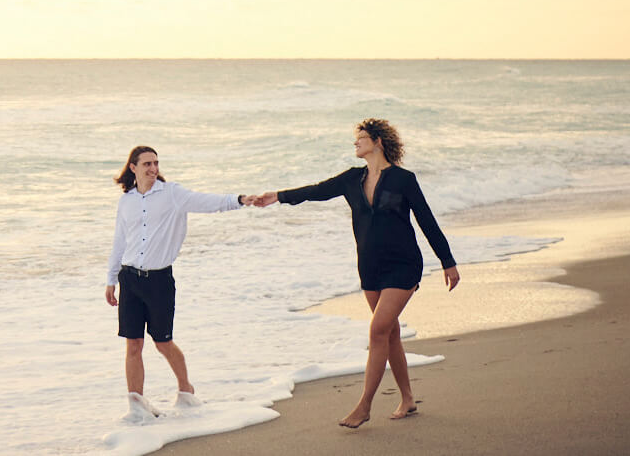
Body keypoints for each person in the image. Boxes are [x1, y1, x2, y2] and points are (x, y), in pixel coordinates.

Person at [253, 118, 461, 428]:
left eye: (361, 138)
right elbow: (317, 190)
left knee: (377, 331)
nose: (356, 143)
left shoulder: (404, 179)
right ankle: (407, 398)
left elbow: (426, 221)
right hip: (370, 266)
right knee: (389, 333)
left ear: (378, 141)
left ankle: (364, 406)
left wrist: (448, 261)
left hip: (403, 265)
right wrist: (278, 196)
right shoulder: (352, 179)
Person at [105, 144, 261, 422]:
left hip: (159, 281)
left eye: (156, 163)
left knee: (163, 343)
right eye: (146, 164)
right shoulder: (126, 200)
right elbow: (119, 241)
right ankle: (137, 406)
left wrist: (240, 199)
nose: (153, 169)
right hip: (129, 278)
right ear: (133, 168)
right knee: (133, 345)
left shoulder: (172, 194)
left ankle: (186, 392)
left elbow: (207, 202)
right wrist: (110, 279)